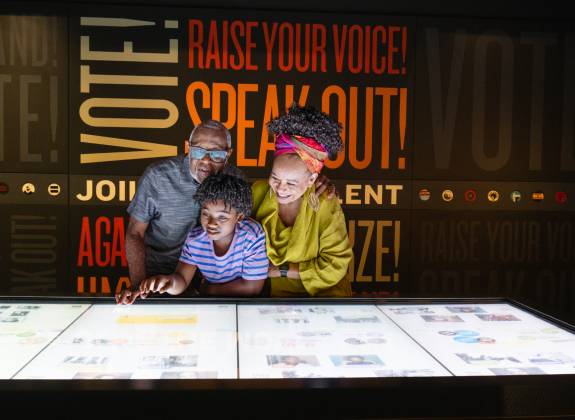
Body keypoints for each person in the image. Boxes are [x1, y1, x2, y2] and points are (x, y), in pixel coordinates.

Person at [116, 120, 338, 304]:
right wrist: (140, 284)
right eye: (198, 150)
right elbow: (135, 233)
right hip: (163, 280)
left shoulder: (239, 183)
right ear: (188, 146)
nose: (206, 160)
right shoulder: (158, 177)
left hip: (222, 288)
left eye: (216, 154)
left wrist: (313, 181)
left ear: (228, 154)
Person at [251, 103, 353, 297]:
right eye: (275, 177)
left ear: (312, 180)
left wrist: (280, 270)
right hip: (271, 299)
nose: (281, 188)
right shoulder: (258, 192)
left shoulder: (325, 202)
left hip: (323, 295)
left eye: (291, 183)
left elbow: (335, 264)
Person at [138, 174, 269, 298]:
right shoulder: (195, 240)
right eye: (206, 214)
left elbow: (251, 289)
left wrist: (207, 289)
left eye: (222, 217)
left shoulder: (251, 235)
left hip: (246, 307)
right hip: (212, 305)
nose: (211, 223)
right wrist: (169, 283)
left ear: (239, 217)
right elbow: (182, 279)